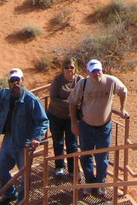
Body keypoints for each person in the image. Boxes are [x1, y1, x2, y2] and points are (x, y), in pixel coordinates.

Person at [0, 68, 48, 205]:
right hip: (8, 139)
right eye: (12, 81)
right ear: (9, 82)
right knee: (1, 168)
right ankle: (9, 193)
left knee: (24, 173)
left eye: (17, 80)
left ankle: (22, 203)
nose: (15, 83)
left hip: (24, 143)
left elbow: (42, 121)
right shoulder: (4, 95)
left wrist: (36, 137)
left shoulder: (31, 100)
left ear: (22, 80)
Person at [68, 59, 129, 196]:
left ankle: (100, 184)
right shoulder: (83, 84)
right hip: (86, 126)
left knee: (102, 157)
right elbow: (72, 102)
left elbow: (123, 91)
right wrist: (73, 123)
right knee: (86, 155)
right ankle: (90, 183)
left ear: (102, 69)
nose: (97, 74)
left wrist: (122, 108)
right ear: (88, 72)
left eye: (98, 70)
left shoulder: (111, 81)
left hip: (104, 127)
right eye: (93, 71)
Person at [46, 58, 80, 179]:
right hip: (56, 115)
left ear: (75, 68)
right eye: (66, 67)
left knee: (72, 144)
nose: (69, 70)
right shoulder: (58, 80)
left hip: (71, 117)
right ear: (63, 69)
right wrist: (71, 104)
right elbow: (53, 98)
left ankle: (73, 169)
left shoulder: (79, 80)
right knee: (58, 141)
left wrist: (75, 106)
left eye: (71, 67)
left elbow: (84, 96)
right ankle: (59, 166)